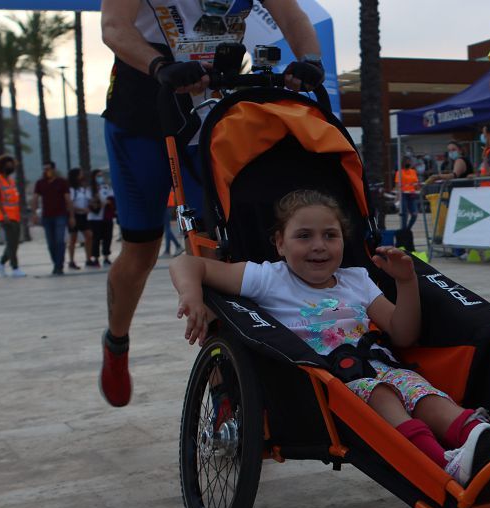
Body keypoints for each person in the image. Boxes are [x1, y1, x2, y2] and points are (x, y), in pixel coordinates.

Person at [169, 190, 490, 485]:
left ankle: (484, 441)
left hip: (379, 366)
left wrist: (406, 284)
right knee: (383, 395)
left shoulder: (357, 279)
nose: (319, 246)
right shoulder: (268, 277)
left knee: (425, 394)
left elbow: (402, 334)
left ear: (344, 241)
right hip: (325, 383)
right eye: (304, 236)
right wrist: (193, 297)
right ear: (280, 244)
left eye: (330, 235)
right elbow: (186, 263)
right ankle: (443, 464)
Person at [98, 0, 324, 407]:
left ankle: (225, 384)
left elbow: (292, 16)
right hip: (142, 109)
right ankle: (116, 342)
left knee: (215, 249)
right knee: (141, 249)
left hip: (213, 108)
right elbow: (114, 27)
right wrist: (157, 65)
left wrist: (309, 60)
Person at [32, 161, 72, 276]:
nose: (46, 171)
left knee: (60, 241)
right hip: (47, 217)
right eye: (44, 169)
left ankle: (59, 265)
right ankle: (56, 263)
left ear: (54, 169)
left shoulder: (62, 182)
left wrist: (71, 216)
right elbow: (35, 198)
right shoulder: (40, 183)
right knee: (51, 243)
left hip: (60, 215)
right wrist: (34, 214)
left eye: (48, 169)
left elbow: (68, 199)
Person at [0, 154, 25, 278]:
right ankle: (15, 268)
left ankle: (0, 263)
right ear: (2, 165)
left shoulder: (11, 181)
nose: (11, 165)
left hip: (14, 216)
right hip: (5, 217)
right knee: (12, 242)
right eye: (8, 163)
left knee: (14, 242)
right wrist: (4, 214)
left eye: (12, 163)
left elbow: (14, 199)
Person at [66, 168, 94, 270]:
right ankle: (71, 261)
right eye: (80, 174)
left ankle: (88, 259)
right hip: (75, 215)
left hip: (83, 216)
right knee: (73, 239)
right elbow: (70, 205)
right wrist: (81, 209)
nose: (82, 176)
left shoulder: (83, 189)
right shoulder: (71, 190)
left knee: (89, 235)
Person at [87, 169, 116, 267]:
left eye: (101, 176)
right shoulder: (90, 189)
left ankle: (106, 257)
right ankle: (95, 258)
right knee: (96, 239)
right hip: (95, 218)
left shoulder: (106, 187)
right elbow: (89, 202)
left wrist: (106, 202)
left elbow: (111, 199)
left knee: (107, 237)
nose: (100, 178)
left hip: (106, 217)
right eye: (98, 176)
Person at [393, 157, 419, 251]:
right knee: (404, 214)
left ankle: (407, 230)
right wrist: (397, 197)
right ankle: (404, 233)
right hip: (403, 194)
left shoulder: (413, 171)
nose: (409, 163)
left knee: (415, 214)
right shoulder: (399, 172)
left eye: (410, 161)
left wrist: (417, 188)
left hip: (411, 194)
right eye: (407, 161)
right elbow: (397, 185)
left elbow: (416, 183)